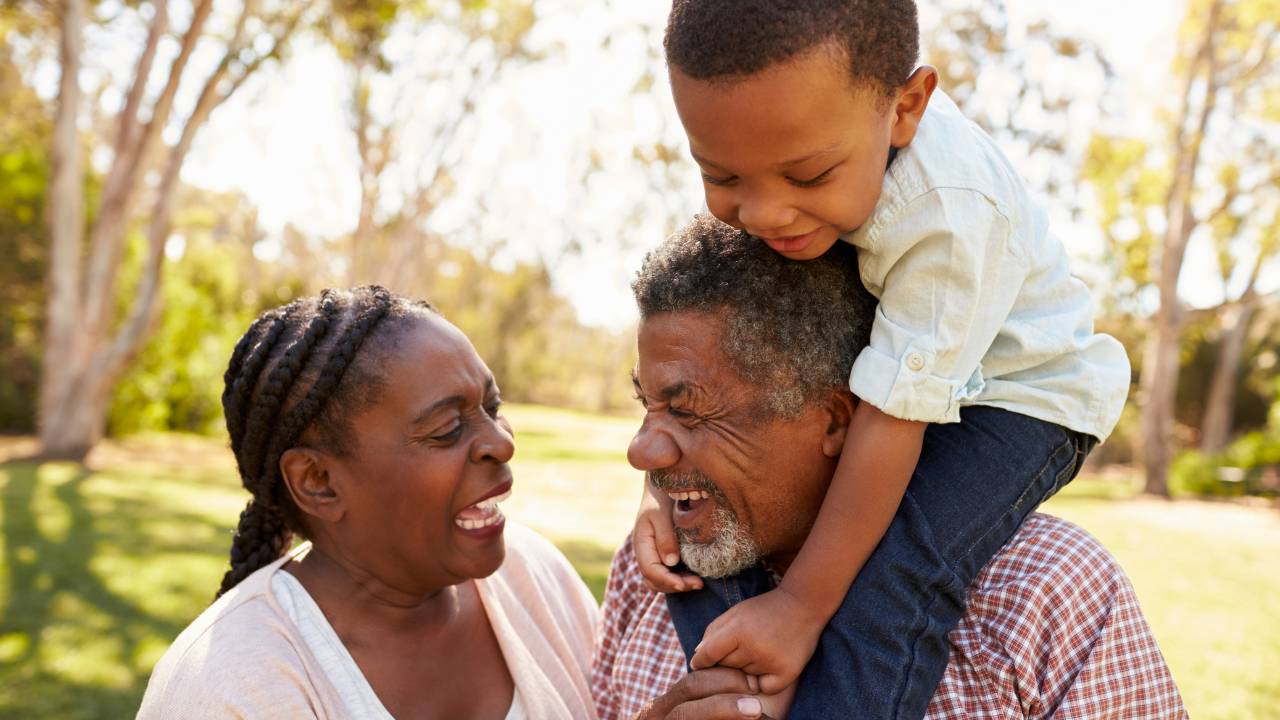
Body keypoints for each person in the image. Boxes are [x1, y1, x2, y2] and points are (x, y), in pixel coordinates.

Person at [632, 3, 1133, 717]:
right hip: (909, 380)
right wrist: (663, 490)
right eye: (723, 176)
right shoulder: (815, 126)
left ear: (906, 109)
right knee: (725, 543)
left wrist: (800, 609)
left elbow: (890, 421)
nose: (766, 214)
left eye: (805, 177)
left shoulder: (948, 215)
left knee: (899, 569)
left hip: (1020, 397)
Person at [596, 216, 1185, 719]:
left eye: (688, 410)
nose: (640, 452)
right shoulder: (650, 568)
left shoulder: (1046, 593)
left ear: (835, 420)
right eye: (646, 406)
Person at [138, 286, 598, 719]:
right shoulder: (228, 687)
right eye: (446, 429)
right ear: (318, 481)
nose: (500, 442)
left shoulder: (534, 572)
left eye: (492, 409)